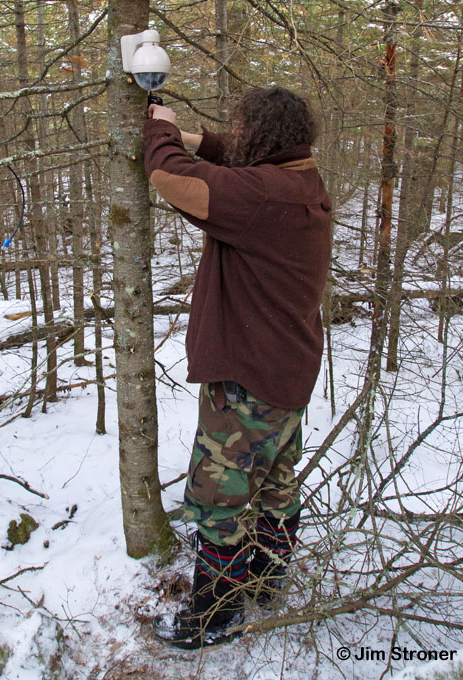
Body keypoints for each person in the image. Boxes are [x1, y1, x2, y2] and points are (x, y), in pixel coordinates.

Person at [142, 86, 332, 649]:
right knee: (275, 486)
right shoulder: (302, 179)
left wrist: (161, 132)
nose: (236, 136)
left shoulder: (261, 197)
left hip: (249, 380)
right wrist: (193, 135)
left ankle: (216, 613)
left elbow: (174, 178)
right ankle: (268, 582)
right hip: (287, 370)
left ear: (263, 139)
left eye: (243, 129)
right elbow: (232, 156)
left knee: (219, 499)